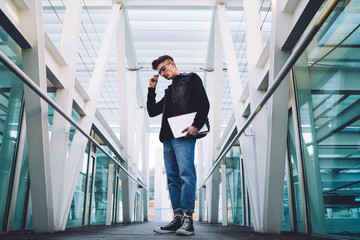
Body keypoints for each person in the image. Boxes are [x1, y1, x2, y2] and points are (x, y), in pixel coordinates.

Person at [147, 55, 210, 236]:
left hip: (183, 135)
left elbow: (204, 104)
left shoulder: (191, 79)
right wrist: (152, 89)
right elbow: (152, 112)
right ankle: (177, 218)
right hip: (167, 138)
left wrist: (196, 125)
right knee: (173, 179)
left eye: (163, 69)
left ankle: (188, 219)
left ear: (172, 64)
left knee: (186, 175)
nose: (162, 73)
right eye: (159, 72)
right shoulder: (167, 92)